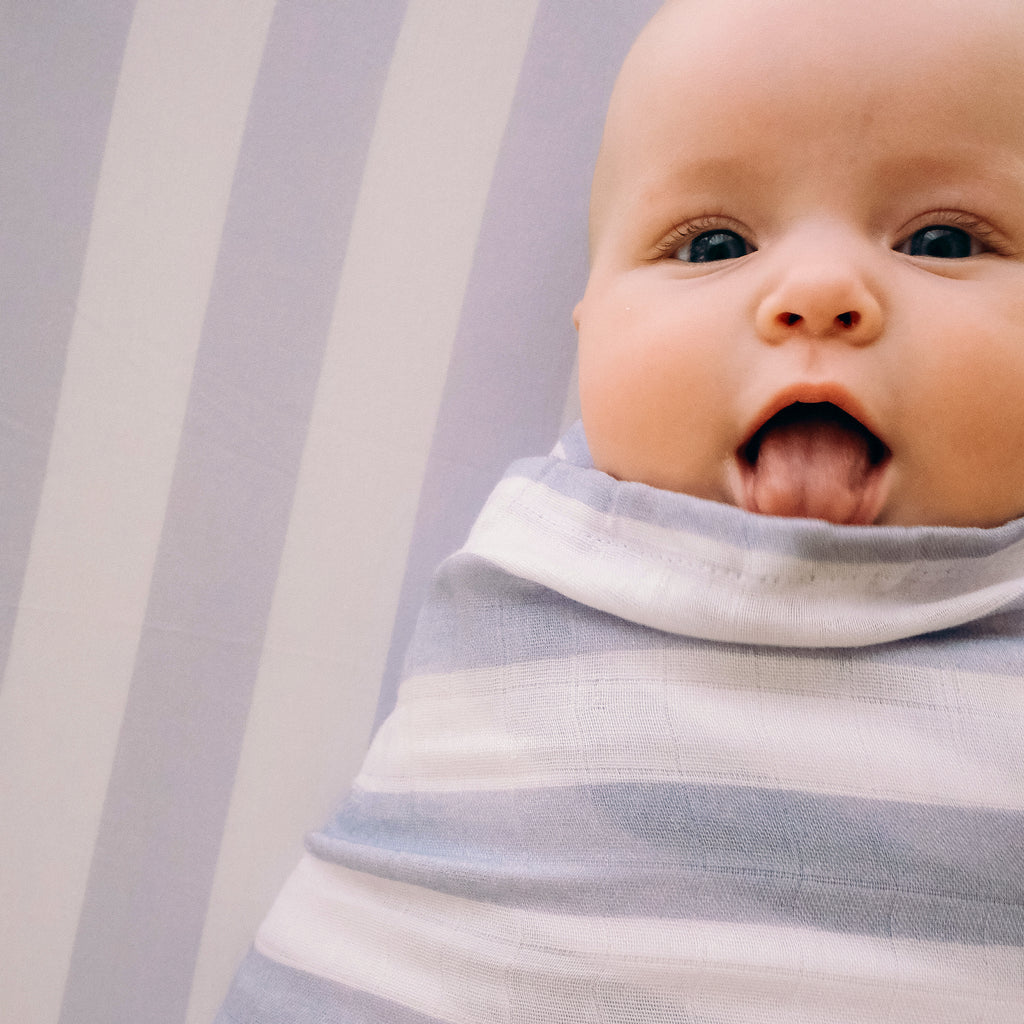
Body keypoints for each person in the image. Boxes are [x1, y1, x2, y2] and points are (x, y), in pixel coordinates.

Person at [217, 0, 1024, 1020]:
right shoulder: (535, 580)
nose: (817, 292)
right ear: (589, 319)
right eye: (710, 243)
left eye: (943, 237)